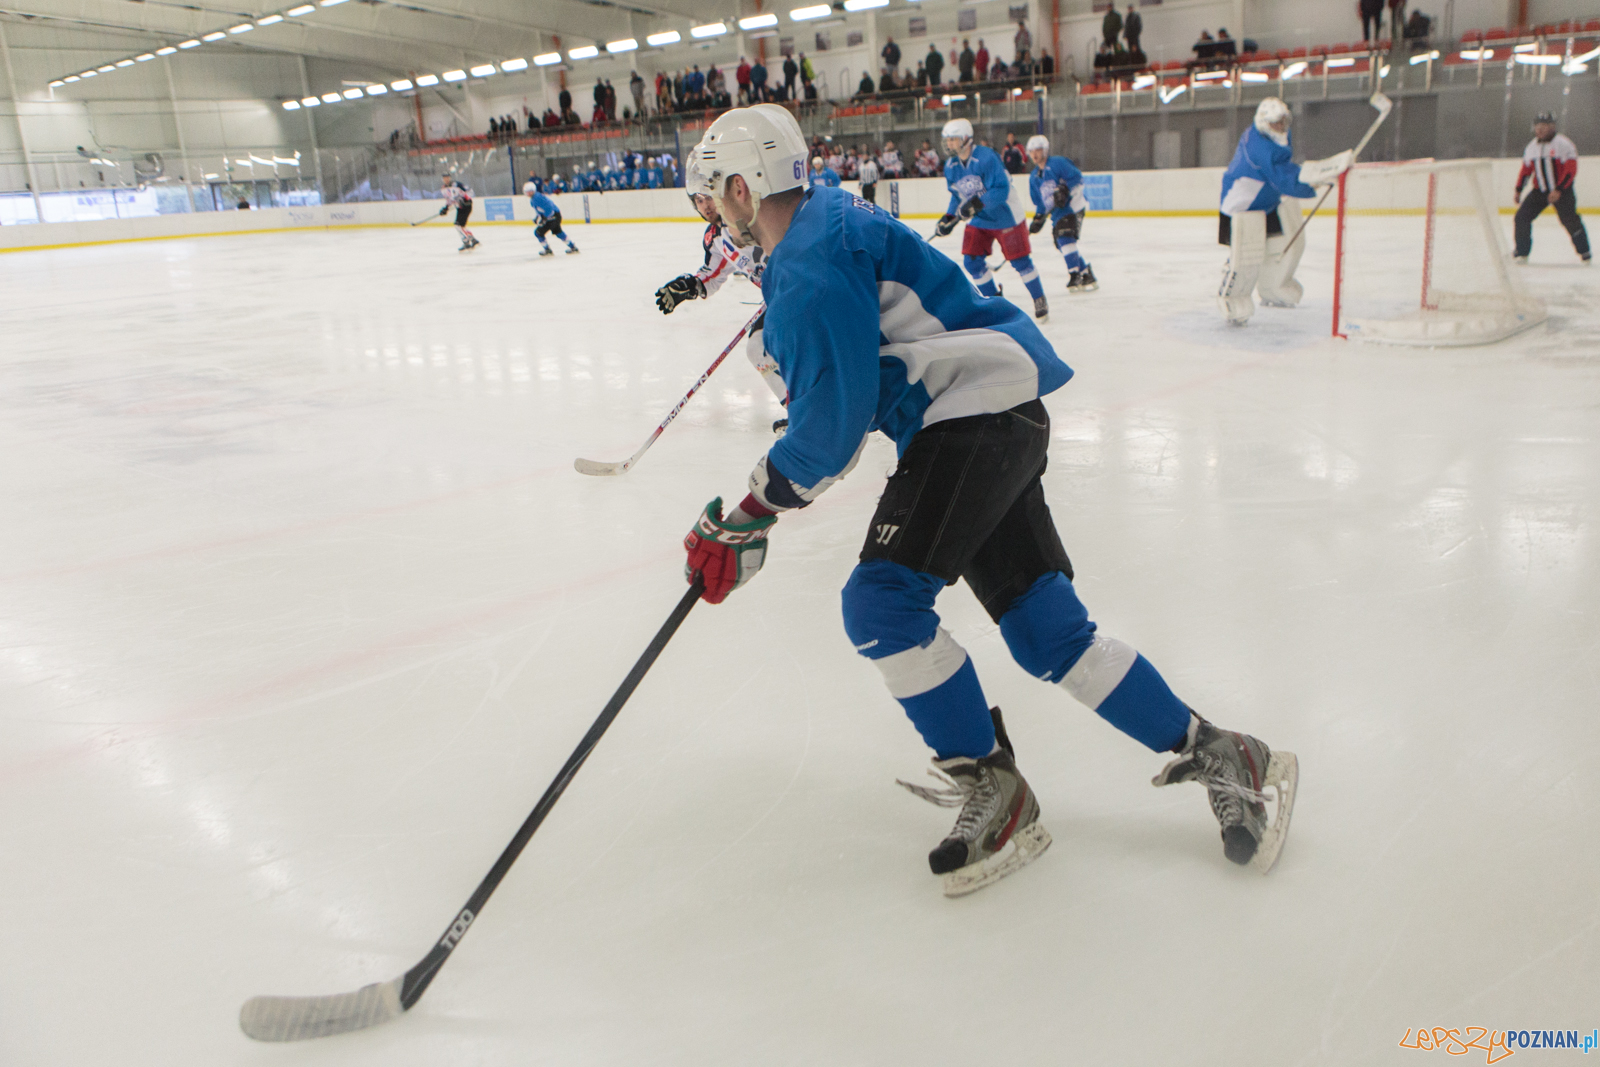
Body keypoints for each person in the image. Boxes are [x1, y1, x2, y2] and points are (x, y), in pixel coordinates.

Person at [679, 103, 1299, 896]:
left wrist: (749, 514)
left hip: (968, 417)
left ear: (741, 185)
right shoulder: (823, 225)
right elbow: (848, 396)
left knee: (880, 605)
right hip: (996, 409)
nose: (712, 216)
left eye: (711, 197)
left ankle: (995, 791)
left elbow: (832, 431)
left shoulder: (808, 259)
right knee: (1048, 630)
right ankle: (1224, 751)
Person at [657, 148, 786, 426]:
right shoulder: (715, 239)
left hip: (798, 288)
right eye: (698, 200)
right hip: (779, 299)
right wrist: (687, 286)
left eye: (707, 197)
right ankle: (799, 411)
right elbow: (712, 276)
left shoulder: (750, 215)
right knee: (757, 348)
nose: (705, 206)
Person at [1217, 98, 1352, 324]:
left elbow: (1286, 169)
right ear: (1263, 123)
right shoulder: (1258, 147)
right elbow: (1282, 178)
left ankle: (1273, 287)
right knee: (1247, 257)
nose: (1281, 127)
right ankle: (1233, 298)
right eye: (1275, 123)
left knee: (1285, 244)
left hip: (1268, 201)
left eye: (1283, 122)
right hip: (1242, 207)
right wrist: (1312, 183)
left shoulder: (1274, 137)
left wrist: (1315, 175)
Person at [934, 117, 1050, 322]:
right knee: (971, 261)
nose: (949, 144)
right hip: (980, 219)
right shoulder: (951, 165)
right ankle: (994, 301)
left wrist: (976, 204)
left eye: (953, 139)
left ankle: (1039, 298)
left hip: (1007, 217)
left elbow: (1002, 189)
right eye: (947, 140)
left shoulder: (986, 157)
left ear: (966, 138)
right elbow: (957, 195)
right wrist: (949, 216)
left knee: (1020, 262)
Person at [1514, 112, 1591, 264]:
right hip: (1540, 191)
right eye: (1537, 127)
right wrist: (1518, 190)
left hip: (1562, 192)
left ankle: (1585, 251)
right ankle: (1522, 252)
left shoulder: (1564, 144)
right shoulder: (1531, 147)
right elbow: (1526, 171)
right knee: (1521, 217)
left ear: (1552, 127)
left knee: (1570, 220)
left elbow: (1570, 170)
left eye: (1543, 126)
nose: (1539, 130)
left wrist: (1559, 190)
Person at [1025, 134, 1097, 293]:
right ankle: (1086, 272)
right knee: (1061, 243)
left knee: (1065, 237)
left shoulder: (1058, 163)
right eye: (1031, 151)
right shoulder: (1033, 178)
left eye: (1038, 150)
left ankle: (1074, 274)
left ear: (1045, 150)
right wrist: (1038, 218)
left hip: (1073, 207)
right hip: (1057, 213)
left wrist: (1064, 190)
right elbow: (1040, 203)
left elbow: (1077, 178)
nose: (1035, 154)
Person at [524, 173, 579, 256]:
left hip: (553, 216)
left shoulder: (537, 198)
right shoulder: (533, 199)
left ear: (533, 190)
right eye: (527, 192)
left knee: (538, 233)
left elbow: (549, 208)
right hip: (554, 216)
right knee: (558, 232)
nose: (528, 193)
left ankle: (547, 249)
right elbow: (540, 210)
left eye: (530, 191)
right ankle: (572, 247)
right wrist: (538, 217)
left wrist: (545, 218)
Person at [436, 174, 478, 251]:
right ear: (442, 179)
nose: (446, 179)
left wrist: (466, 200)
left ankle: (466, 242)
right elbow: (449, 200)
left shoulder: (457, 185)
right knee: (461, 226)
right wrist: (446, 208)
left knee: (457, 225)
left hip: (466, 206)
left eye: (447, 178)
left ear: (450, 178)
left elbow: (470, 192)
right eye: (445, 178)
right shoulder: (443, 189)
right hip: (459, 207)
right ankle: (473, 240)